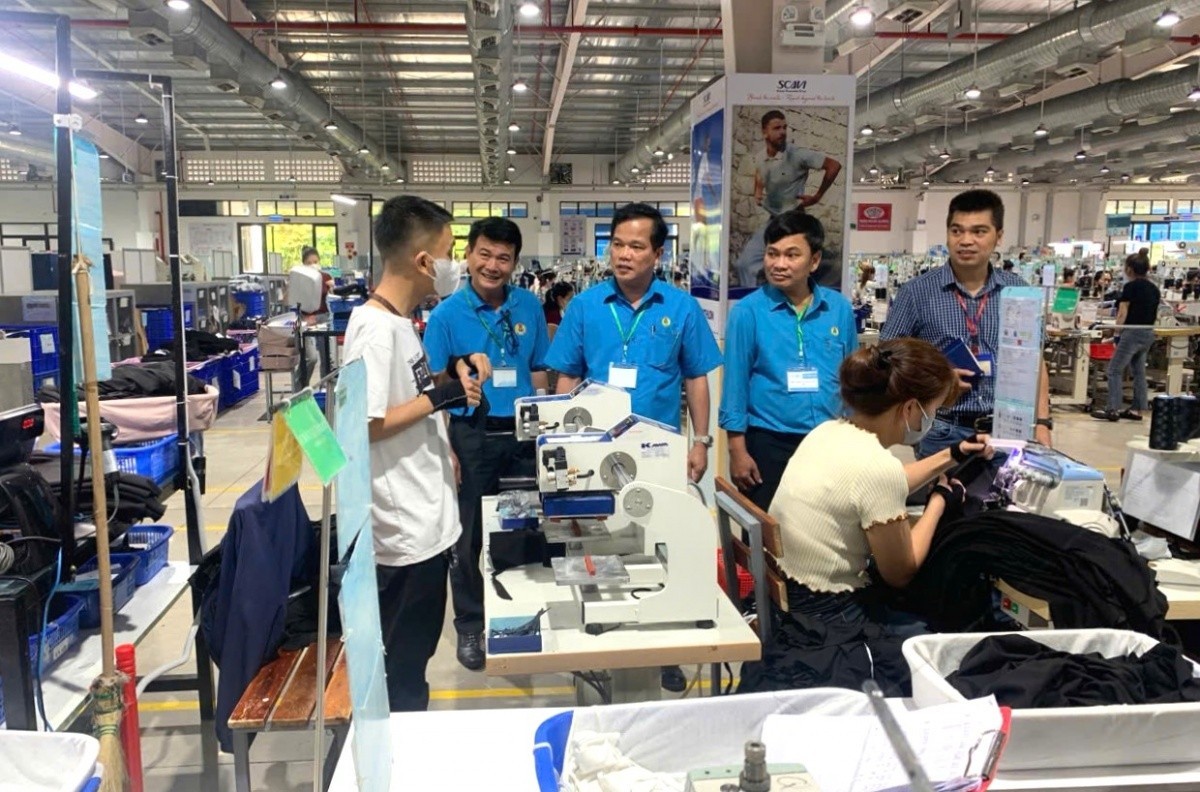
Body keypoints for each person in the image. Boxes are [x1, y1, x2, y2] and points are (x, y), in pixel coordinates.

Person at [545, 202, 722, 694]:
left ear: (658, 254)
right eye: (617, 245)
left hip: (659, 450)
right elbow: (567, 376)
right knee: (601, 540)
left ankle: (665, 646)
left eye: (636, 246)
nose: (623, 254)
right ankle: (603, 634)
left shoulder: (681, 308)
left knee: (661, 542)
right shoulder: (585, 307)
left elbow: (696, 378)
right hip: (597, 451)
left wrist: (701, 441)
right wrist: (562, 439)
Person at [342, 195, 490, 712]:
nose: (456, 263)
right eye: (450, 252)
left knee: (415, 658)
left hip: (424, 517)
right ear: (424, 261)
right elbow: (365, 426)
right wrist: (441, 397)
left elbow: (408, 394)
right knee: (402, 671)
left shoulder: (399, 323)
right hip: (402, 533)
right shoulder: (374, 331)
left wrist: (452, 372)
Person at [768, 339, 992, 632]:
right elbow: (901, 573)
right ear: (910, 408)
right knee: (953, 623)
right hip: (831, 616)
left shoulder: (827, 432)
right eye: (934, 409)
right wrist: (938, 503)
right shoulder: (876, 467)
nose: (932, 419)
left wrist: (953, 454)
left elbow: (874, 486)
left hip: (791, 598)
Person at [423, 217, 550, 672]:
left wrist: (544, 424)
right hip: (471, 436)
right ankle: (471, 625)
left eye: (503, 258)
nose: (493, 266)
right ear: (468, 255)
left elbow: (538, 369)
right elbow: (433, 385)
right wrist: (447, 448)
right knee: (468, 537)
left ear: (515, 262)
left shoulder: (528, 306)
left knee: (521, 527)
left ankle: (517, 618)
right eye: (485, 254)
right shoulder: (446, 316)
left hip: (522, 434)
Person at [881, 189, 1054, 456]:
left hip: (1008, 429)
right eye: (957, 231)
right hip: (942, 429)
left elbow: (1035, 361)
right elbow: (886, 357)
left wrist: (1042, 422)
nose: (966, 241)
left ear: (999, 236)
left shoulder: (1019, 291)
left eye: (979, 231)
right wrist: (936, 379)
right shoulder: (917, 293)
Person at [720, 211, 858, 512]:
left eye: (791, 255)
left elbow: (853, 379)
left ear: (814, 261)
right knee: (768, 529)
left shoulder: (838, 310)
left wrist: (856, 437)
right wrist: (737, 450)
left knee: (826, 525)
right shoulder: (747, 312)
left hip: (829, 441)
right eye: (773, 254)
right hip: (769, 443)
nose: (779, 264)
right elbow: (735, 386)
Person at [734, 110, 842, 288]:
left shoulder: (797, 154)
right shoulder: (761, 158)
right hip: (774, 220)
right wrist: (757, 191)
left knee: (799, 268)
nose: (783, 132)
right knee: (744, 265)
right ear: (764, 132)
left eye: (785, 127)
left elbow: (834, 165)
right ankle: (754, 301)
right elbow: (760, 174)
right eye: (777, 128)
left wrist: (817, 196)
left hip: (794, 222)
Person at [1092, 253, 1160, 422]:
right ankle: (1137, 409)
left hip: (1132, 332)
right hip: (1148, 332)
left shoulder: (1130, 287)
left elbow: (1122, 312)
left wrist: (1116, 333)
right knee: (1139, 371)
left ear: (1129, 269)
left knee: (1114, 369)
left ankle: (1113, 408)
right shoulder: (1154, 289)